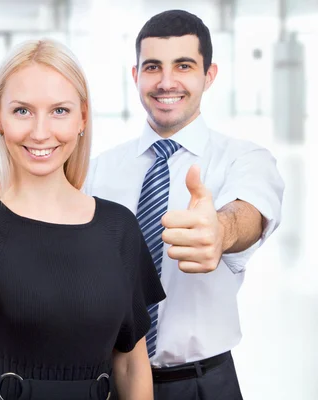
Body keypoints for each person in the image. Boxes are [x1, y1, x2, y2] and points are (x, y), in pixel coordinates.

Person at [0, 38, 166, 400]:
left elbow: (130, 362)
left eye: (59, 111)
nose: (41, 132)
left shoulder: (119, 227)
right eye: (22, 111)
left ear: (83, 116)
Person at [86, 10, 285, 400]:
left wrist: (220, 230)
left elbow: (249, 212)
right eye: (153, 67)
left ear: (208, 76)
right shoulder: (97, 171)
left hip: (202, 385)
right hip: (108, 380)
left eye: (183, 66)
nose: (166, 82)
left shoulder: (244, 159)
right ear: (135, 75)